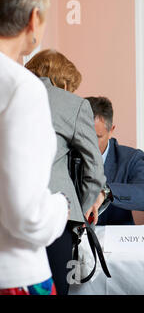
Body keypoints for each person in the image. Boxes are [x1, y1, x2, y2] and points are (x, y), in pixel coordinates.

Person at [25, 49, 111, 295]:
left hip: (8, 214)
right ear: (63, 82)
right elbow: (94, 170)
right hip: (56, 216)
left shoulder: (9, 93)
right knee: (54, 289)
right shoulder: (73, 104)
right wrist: (81, 210)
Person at [0, 0, 69, 295]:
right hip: (14, 273)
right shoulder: (21, 88)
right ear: (33, 19)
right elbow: (27, 217)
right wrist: (61, 206)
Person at [86, 96, 144, 225]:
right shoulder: (64, 155)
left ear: (111, 131)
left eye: (97, 137)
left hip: (116, 240)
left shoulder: (130, 158)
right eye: (84, 136)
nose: (89, 144)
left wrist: (106, 192)